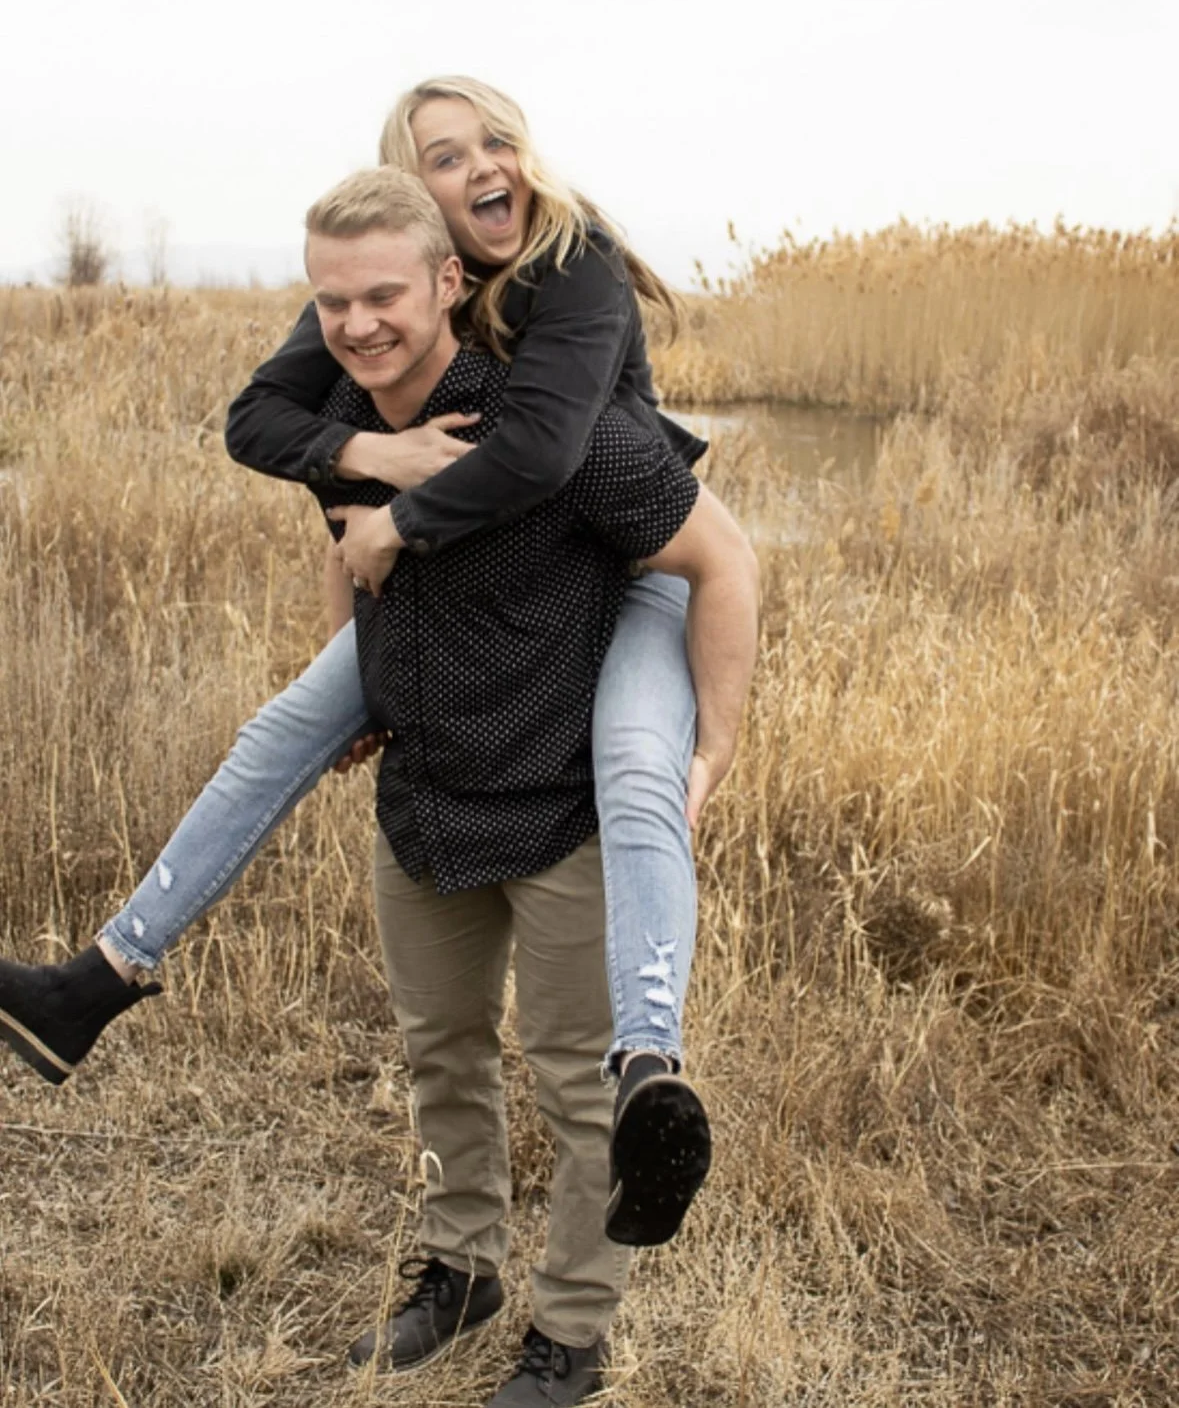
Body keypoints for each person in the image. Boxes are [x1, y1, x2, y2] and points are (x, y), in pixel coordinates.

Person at [0, 75, 750, 1251]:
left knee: (638, 769)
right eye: (442, 158)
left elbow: (556, 456)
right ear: (415, 198)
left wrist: (400, 514)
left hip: (633, 559)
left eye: (493, 142)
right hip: (463, 613)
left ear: (452, 268)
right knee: (280, 732)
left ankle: (651, 1065)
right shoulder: (378, 309)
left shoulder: (571, 264)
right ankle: (101, 977)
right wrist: (368, 466)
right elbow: (266, 427)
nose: (479, 169)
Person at [307, 167, 755, 1403]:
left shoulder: (565, 431)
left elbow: (725, 562)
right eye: (334, 302)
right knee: (440, 1052)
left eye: (383, 294)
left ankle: (571, 1331)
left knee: (578, 1085)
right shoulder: (348, 432)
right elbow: (349, 566)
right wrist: (359, 687)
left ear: (449, 280)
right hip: (428, 801)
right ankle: (462, 1270)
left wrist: (708, 746)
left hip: (561, 806)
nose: (360, 324)